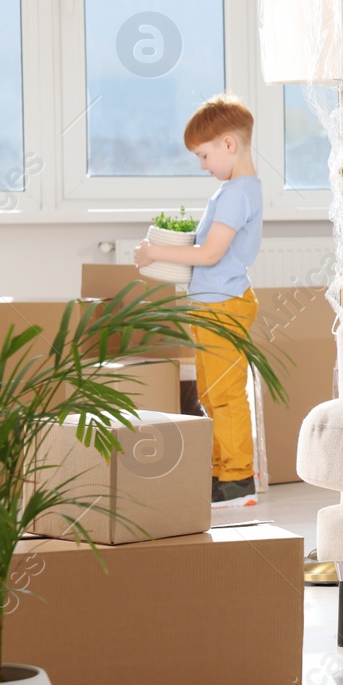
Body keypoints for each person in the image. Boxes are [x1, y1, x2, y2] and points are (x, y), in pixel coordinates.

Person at [133, 94, 266, 508]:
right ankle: (221, 472)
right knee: (210, 393)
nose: (203, 165)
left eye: (204, 155)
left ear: (229, 144)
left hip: (223, 305)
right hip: (212, 305)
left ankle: (238, 478)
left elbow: (210, 255)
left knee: (225, 395)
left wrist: (155, 252)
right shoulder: (235, 191)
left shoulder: (236, 195)